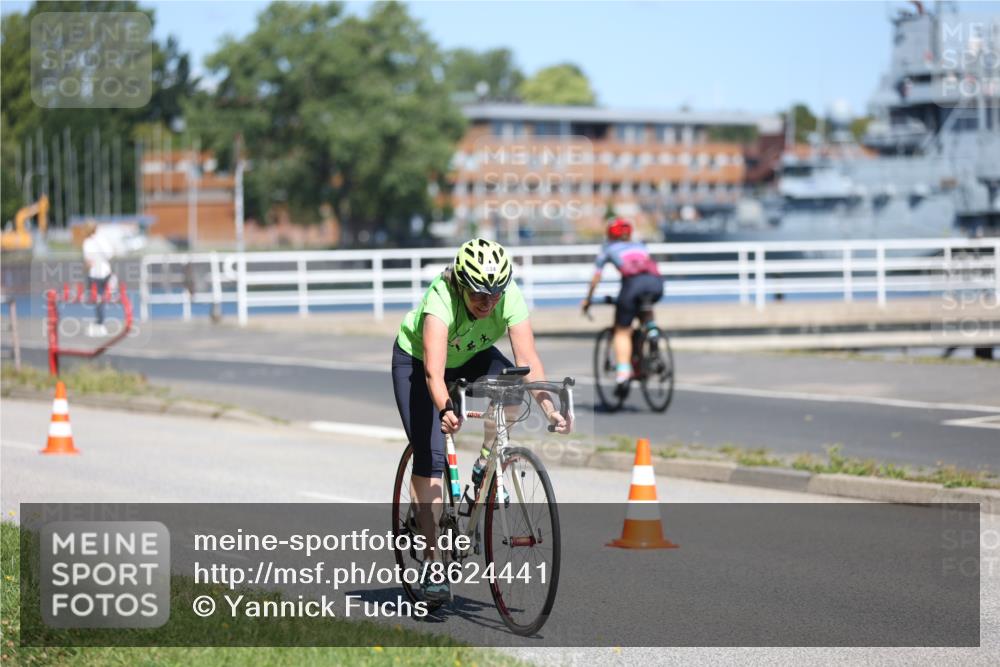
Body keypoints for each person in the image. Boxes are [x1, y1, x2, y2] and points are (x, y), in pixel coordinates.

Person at [392, 238, 571, 602]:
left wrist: (550, 408)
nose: (488, 302)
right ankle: (431, 562)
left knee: (513, 387)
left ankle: (486, 462)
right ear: (461, 283)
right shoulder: (441, 298)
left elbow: (529, 361)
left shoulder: (509, 297)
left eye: (495, 294)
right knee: (432, 456)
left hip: (471, 353)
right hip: (417, 363)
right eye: (479, 294)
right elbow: (433, 373)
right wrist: (446, 409)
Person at [581, 218, 664, 393]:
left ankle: (623, 375)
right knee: (645, 306)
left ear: (609, 235)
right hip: (656, 283)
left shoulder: (608, 248)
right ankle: (653, 330)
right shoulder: (640, 246)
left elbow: (597, 277)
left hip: (632, 285)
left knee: (622, 331)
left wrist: (588, 299)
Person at [81, 221, 114, 337]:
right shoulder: (102, 239)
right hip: (106, 272)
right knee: (102, 297)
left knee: (97, 298)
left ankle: (100, 323)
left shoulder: (87, 242)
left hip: (95, 274)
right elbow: (110, 254)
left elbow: (88, 261)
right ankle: (100, 321)